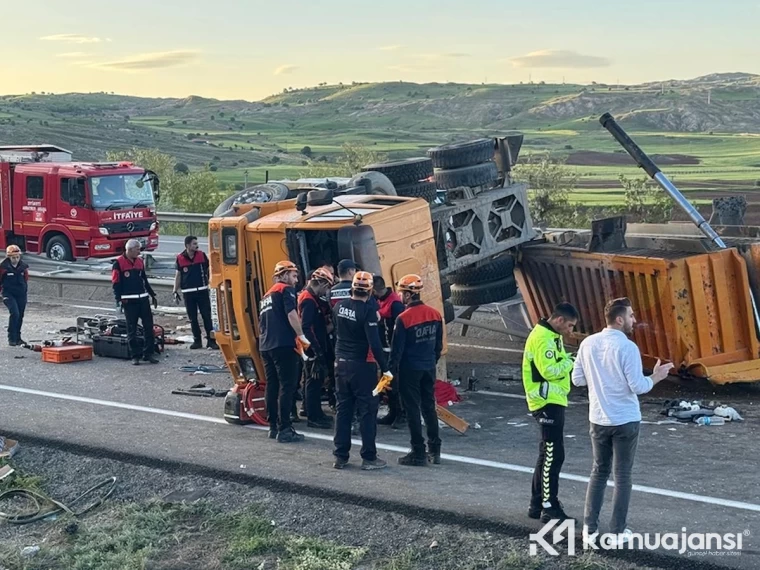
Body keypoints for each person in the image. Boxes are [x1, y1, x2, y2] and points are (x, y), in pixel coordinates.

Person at [572, 297, 673, 544]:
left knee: (598, 472)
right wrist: (657, 376)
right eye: (631, 315)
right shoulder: (627, 347)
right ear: (619, 319)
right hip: (625, 420)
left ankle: (589, 529)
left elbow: (577, 380)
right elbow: (638, 386)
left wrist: (600, 378)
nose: (634, 320)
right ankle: (617, 532)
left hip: (598, 418)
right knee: (623, 475)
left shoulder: (587, 344)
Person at [522, 302, 579, 522]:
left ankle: (537, 504)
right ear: (559, 320)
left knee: (548, 454)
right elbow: (551, 370)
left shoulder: (550, 335)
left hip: (551, 400)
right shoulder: (543, 339)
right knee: (552, 456)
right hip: (547, 401)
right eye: (570, 326)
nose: (570, 331)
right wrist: (571, 360)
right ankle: (549, 506)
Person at [332, 271, 392, 470]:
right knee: (367, 412)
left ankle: (340, 456)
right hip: (362, 366)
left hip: (340, 363)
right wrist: (386, 368)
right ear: (370, 291)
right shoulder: (366, 311)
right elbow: (374, 343)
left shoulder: (339, 307)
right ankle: (369, 457)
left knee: (343, 410)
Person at [389, 274, 443, 466]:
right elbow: (438, 346)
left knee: (412, 409)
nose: (400, 296)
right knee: (429, 407)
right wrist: (431, 361)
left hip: (409, 369)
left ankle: (418, 452)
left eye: (401, 292)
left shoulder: (403, 319)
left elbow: (397, 351)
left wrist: (391, 373)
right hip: (428, 366)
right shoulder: (435, 314)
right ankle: (435, 450)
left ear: (407, 294)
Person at [259, 260, 311, 443]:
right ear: (284, 274)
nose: (296, 280)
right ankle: (285, 429)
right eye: (294, 275)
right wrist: (301, 335)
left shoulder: (266, 295)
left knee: (272, 386)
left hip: (266, 345)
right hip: (283, 344)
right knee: (287, 386)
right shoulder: (285, 290)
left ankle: (273, 426)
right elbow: (291, 314)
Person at [297, 267, 335, 429]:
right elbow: (306, 328)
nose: (326, 291)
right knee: (314, 381)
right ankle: (314, 416)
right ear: (319, 283)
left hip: (311, 346)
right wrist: (316, 352)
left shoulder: (312, 298)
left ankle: (312, 410)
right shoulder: (308, 300)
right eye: (326, 287)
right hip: (311, 347)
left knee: (312, 380)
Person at [112, 239, 159, 365]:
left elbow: (144, 279)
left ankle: (148, 354)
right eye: (137, 249)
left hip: (143, 299)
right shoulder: (118, 263)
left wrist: (152, 294)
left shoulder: (139, 261)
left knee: (148, 327)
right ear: (130, 249)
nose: (139, 251)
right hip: (129, 301)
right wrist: (119, 300)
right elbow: (116, 283)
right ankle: (135, 355)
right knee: (131, 329)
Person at [172, 235, 218, 350]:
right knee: (193, 318)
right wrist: (175, 290)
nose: (196, 245)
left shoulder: (201, 255)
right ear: (187, 245)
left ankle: (211, 340)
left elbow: (209, 270)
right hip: (188, 292)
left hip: (202, 290)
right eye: (194, 244)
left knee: (207, 316)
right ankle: (197, 340)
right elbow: (178, 276)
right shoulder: (180, 258)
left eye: (196, 243)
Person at [374, 275, 407, 428]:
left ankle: (402, 415)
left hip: (394, 350)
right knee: (388, 383)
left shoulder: (395, 304)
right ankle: (393, 412)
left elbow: (401, 329)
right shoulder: (380, 300)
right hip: (385, 349)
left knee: (396, 384)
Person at [0, 245, 29, 347]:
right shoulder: (3, 268)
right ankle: (11, 338)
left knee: (20, 315)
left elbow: (25, 280)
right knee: (15, 313)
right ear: (9, 257)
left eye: (17, 257)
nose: (15, 259)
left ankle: (18, 338)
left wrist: (25, 293)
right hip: (8, 294)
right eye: (13, 257)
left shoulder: (23, 267)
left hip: (21, 294)